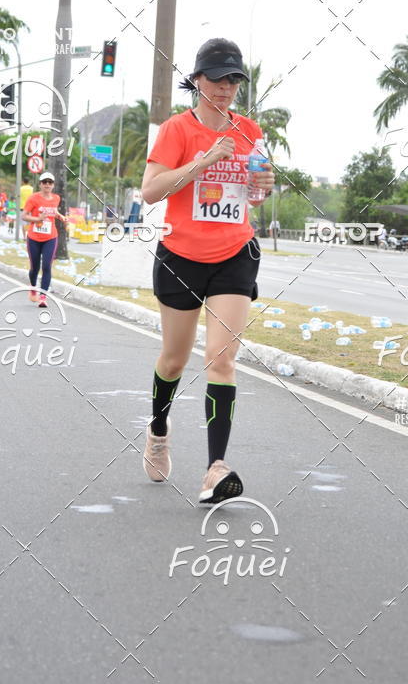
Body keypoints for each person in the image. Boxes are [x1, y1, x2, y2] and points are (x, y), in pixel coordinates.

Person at [141, 38, 275, 504]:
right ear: (197, 80)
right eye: (217, 78)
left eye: (234, 79)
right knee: (174, 360)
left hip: (234, 254)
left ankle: (216, 468)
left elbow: (254, 195)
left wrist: (263, 186)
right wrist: (203, 161)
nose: (225, 87)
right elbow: (151, 191)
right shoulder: (177, 130)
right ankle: (158, 430)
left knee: (221, 359)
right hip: (180, 257)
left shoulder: (250, 131)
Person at [21, 171, 66, 308]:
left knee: (46, 266)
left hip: (50, 237)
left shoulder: (56, 198)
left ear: (53, 185)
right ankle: (33, 287)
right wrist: (37, 219)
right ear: (40, 184)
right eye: (44, 182)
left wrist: (60, 216)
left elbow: (53, 211)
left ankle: (43, 297)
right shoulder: (33, 198)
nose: (47, 184)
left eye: (50, 182)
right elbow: (24, 216)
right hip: (34, 237)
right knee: (34, 267)